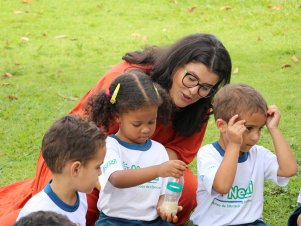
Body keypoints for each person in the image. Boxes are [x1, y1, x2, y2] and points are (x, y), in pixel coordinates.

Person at [0, 33, 232, 226]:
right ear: (176, 64)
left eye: (206, 87)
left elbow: (174, 156)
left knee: (187, 189)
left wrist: (149, 191)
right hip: (84, 159)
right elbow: (84, 143)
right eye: (191, 78)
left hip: (142, 167)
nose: (194, 92)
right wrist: (116, 189)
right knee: (74, 208)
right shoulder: (125, 83)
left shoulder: (199, 106)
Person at [190, 84, 298, 226]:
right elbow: (222, 186)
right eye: (248, 128)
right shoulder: (208, 154)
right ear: (222, 125)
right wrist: (234, 144)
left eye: (260, 129)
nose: (255, 137)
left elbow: (289, 170)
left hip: (252, 223)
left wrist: (274, 128)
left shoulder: (258, 154)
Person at [90, 71, 187, 225]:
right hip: (115, 220)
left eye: (151, 122)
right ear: (117, 117)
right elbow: (116, 179)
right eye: (137, 124)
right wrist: (157, 170)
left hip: (152, 221)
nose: (146, 129)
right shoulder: (109, 146)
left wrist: (164, 205)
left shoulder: (159, 150)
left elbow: (164, 190)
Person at [16, 115, 107, 226]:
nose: (100, 172)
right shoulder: (37, 216)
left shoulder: (79, 193)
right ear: (76, 169)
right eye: (97, 167)